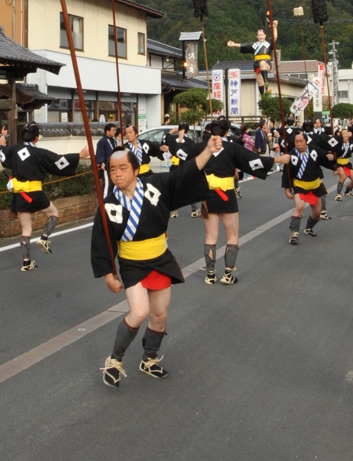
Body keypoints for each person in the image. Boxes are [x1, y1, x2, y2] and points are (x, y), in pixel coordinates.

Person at [92, 133, 223, 388]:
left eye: (122, 168)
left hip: (159, 257)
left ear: (136, 169)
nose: (117, 174)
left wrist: (207, 151)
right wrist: (109, 273)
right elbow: (102, 241)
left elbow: (184, 174)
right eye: (112, 169)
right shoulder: (108, 205)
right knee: (139, 311)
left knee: (160, 315)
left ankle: (149, 359)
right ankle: (114, 360)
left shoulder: (156, 185)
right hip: (132, 262)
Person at [191, 119, 289, 284]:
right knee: (232, 235)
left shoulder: (201, 148)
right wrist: (278, 160)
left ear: (209, 131)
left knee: (210, 236)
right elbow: (252, 160)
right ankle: (228, 274)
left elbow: (182, 154)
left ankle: (210, 274)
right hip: (227, 193)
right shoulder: (231, 148)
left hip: (207, 195)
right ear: (225, 132)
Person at [0, 123, 89, 270]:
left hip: (20, 195)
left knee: (26, 230)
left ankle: (26, 262)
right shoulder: (39, 153)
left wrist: (2, 142)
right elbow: (59, 161)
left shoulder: (14, 150)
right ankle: (44, 238)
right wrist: (80, 155)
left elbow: (2, 155)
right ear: (36, 137)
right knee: (53, 213)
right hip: (35, 193)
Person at [284, 132, 336, 244]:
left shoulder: (314, 151)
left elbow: (325, 157)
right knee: (299, 206)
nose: (298, 144)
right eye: (296, 142)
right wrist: (287, 189)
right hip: (300, 185)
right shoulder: (291, 155)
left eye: (301, 141)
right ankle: (294, 233)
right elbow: (286, 174)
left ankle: (309, 227)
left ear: (306, 141)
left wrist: (331, 158)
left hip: (314, 186)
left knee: (317, 213)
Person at [227, 19, 278, 96]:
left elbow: (275, 37)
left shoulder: (269, 43)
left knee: (262, 63)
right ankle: (263, 96)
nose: (261, 36)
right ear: (257, 36)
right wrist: (234, 44)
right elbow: (244, 45)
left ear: (265, 35)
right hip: (256, 64)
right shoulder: (254, 45)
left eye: (262, 35)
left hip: (266, 62)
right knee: (259, 81)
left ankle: (266, 81)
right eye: (259, 35)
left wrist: (274, 27)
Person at [163, 122, 199, 218]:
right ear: (187, 130)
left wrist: (171, 131)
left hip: (174, 166)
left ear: (179, 129)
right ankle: (194, 209)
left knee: (174, 188)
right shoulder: (190, 141)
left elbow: (164, 139)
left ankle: (174, 211)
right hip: (185, 166)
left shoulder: (171, 139)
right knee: (189, 188)